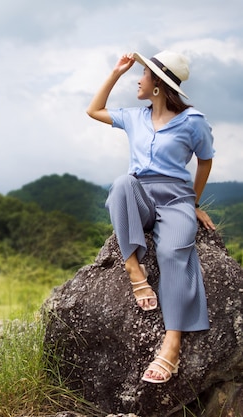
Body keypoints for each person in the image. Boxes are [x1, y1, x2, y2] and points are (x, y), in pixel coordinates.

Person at [86, 50, 216, 384]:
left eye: (142, 75)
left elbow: (205, 160)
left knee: (175, 253)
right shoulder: (134, 117)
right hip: (140, 195)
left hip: (176, 199)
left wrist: (194, 202)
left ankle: (171, 345)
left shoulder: (194, 122)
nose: (138, 80)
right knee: (121, 184)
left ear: (157, 84)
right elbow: (93, 110)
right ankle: (134, 270)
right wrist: (116, 72)